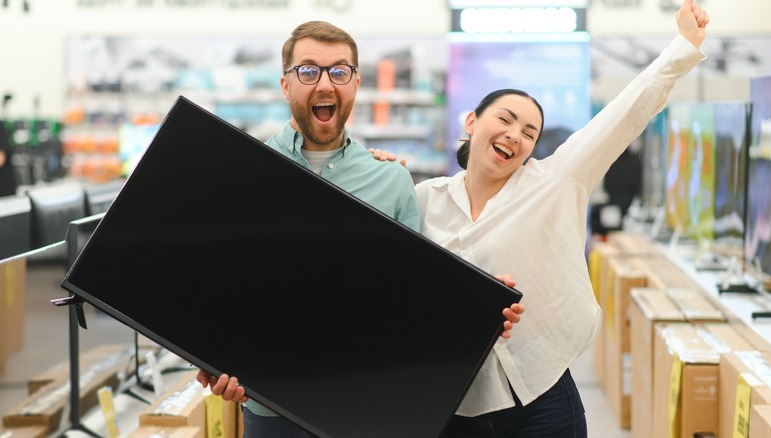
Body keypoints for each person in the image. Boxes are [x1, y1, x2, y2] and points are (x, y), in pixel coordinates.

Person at [374, 0, 709, 435]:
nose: (515, 135)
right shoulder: (423, 199)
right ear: (472, 122)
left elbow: (624, 115)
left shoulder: (552, 184)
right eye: (505, 119)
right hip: (452, 404)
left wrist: (681, 47)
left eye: (529, 132)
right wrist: (377, 175)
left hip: (541, 400)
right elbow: (389, 280)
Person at [195, 20, 524, 437]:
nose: (325, 83)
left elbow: (411, 298)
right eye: (308, 71)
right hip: (271, 410)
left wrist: (481, 308)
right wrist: (211, 357)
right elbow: (221, 285)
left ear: (355, 83)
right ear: (285, 85)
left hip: (362, 408)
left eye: (339, 71)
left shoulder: (391, 180)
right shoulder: (244, 173)